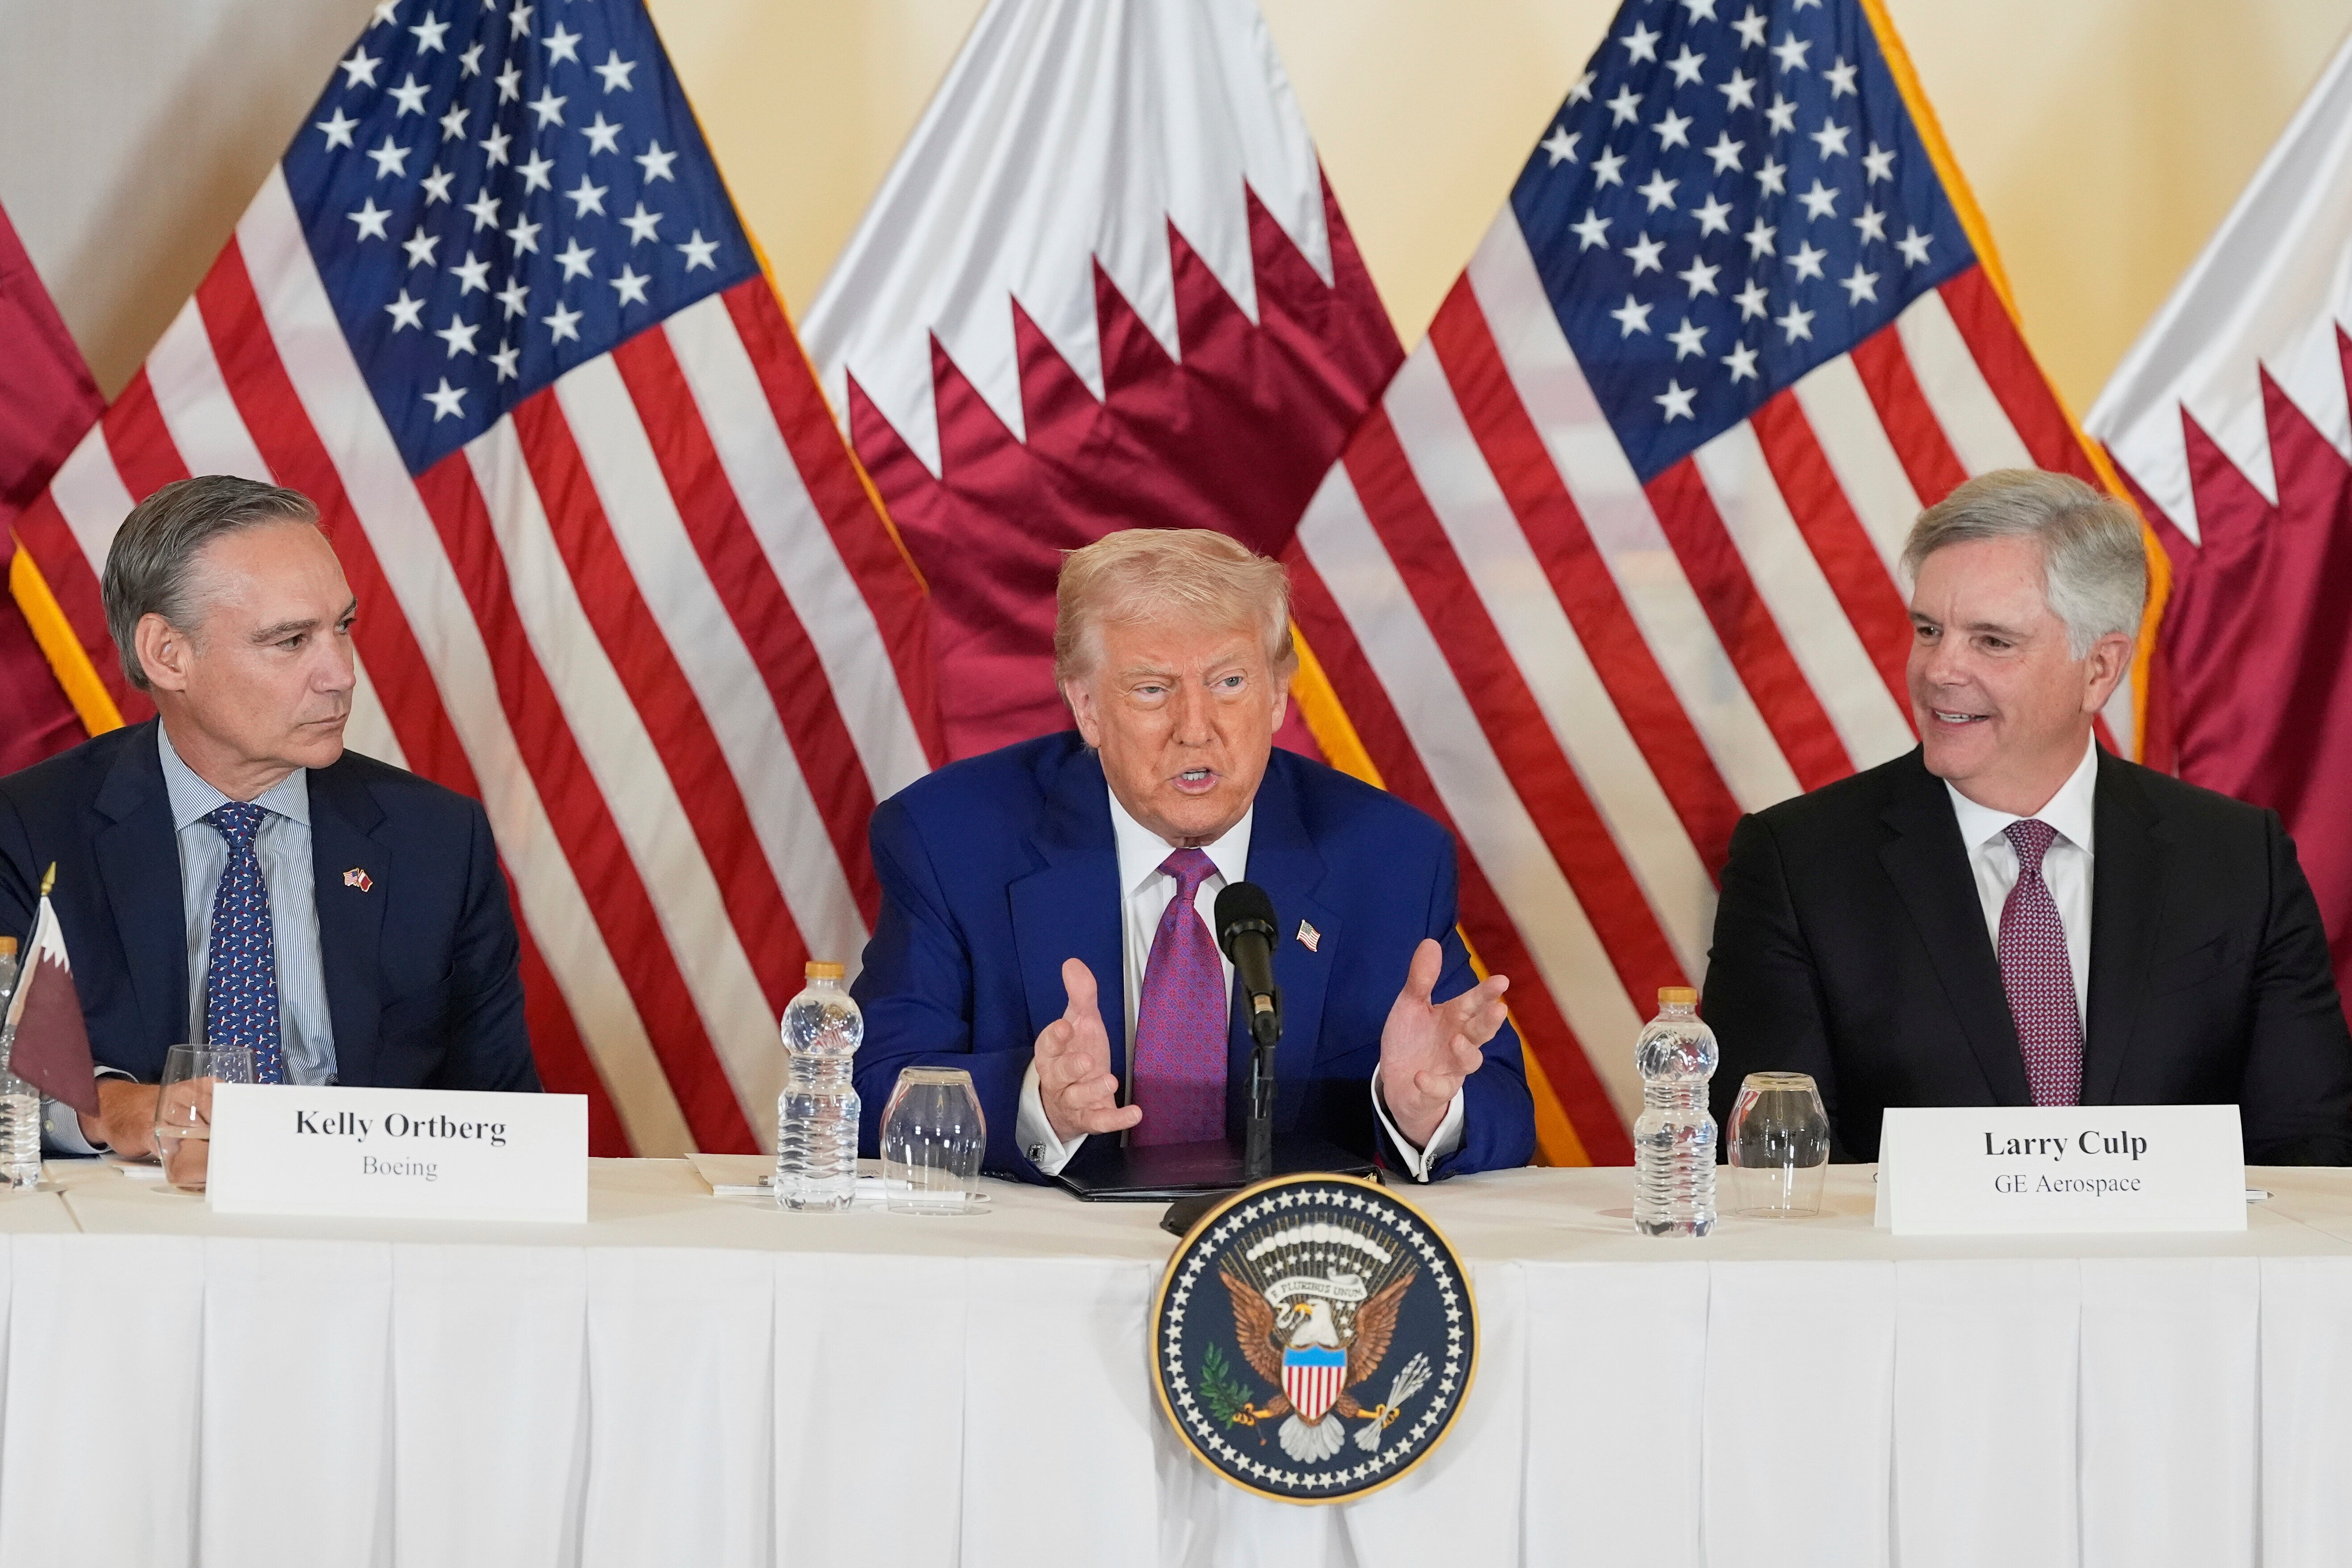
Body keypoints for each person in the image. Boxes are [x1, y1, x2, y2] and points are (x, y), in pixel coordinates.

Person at [1703, 468, 2352, 1164]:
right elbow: (1767, 1170)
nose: (1939, 670)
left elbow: (2310, 1156)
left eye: (1992, 641)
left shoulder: (2237, 861)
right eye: (1929, 630)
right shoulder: (1796, 863)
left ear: (2099, 670)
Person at [852, 529, 1535, 1182]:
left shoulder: (1387, 858)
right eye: (1153, 689)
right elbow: (869, 1088)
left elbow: (1504, 1107)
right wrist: (1036, 1100)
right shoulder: (952, 839)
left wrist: (1424, 1109)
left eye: (1230, 683)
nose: (1196, 729)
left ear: (1277, 694)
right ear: (1086, 707)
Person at [0, 475, 540, 1157]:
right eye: (291, 641)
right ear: (168, 655)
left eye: (342, 628)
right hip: (132, 1234)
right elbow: (6, 1070)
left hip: (369, 1235)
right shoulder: (29, 829)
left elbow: (507, 1121)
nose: (341, 674)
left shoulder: (437, 841)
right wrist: (112, 1108)